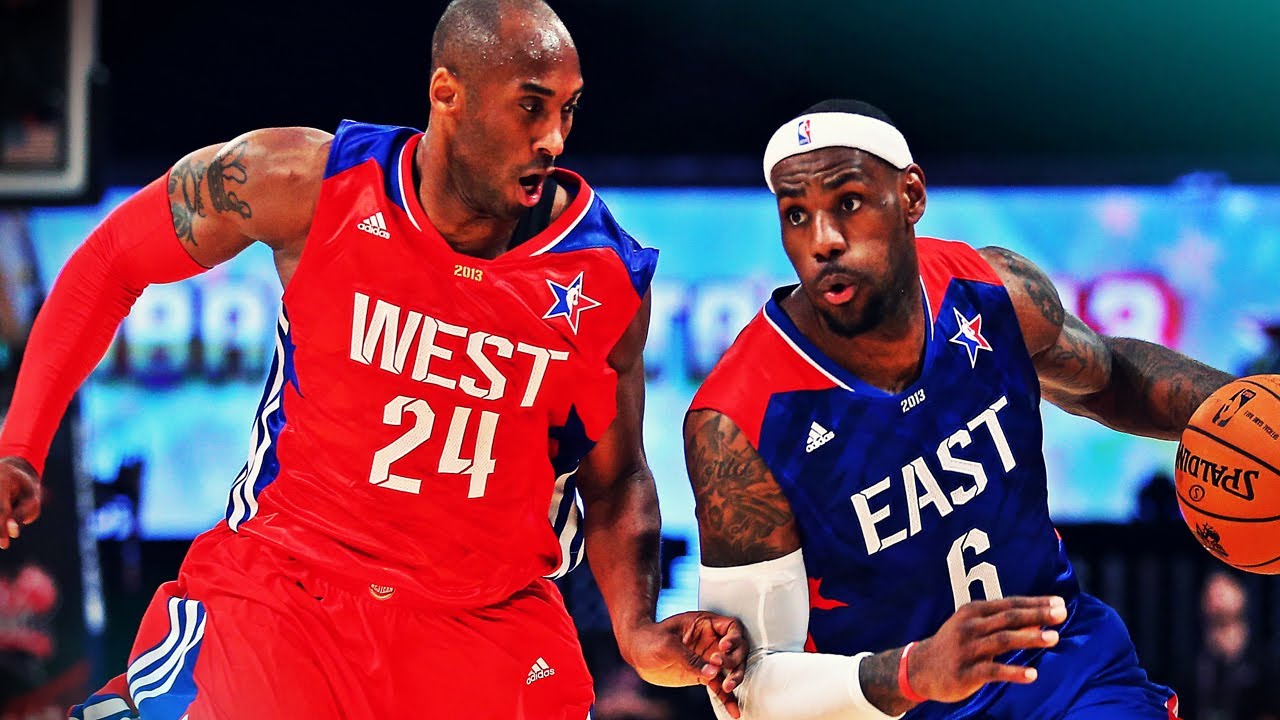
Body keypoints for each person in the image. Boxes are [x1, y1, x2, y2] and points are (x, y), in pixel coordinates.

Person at [0, 1, 746, 717]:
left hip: (486, 628)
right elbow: (112, 260)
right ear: (447, 93)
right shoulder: (304, 182)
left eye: (568, 110)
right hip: (289, 595)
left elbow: (615, 480)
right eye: (530, 106)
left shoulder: (605, 276)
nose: (553, 138)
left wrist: (638, 634)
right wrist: (21, 447)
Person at [686, 99, 1235, 719]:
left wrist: (1242, 412)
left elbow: (1109, 379)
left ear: (911, 196)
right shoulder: (737, 421)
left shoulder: (989, 288)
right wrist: (913, 670)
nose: (824, 241)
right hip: (899, 706)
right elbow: (746, 690)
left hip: (1064, 673)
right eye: (796, 215)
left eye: (849, 202)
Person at [1178, 571, 1279, 720]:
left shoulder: (1265, 663)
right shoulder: (1190, 665)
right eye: (1210, 591)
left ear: (1242, 596)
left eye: (1223, 589)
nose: (1216, 595)